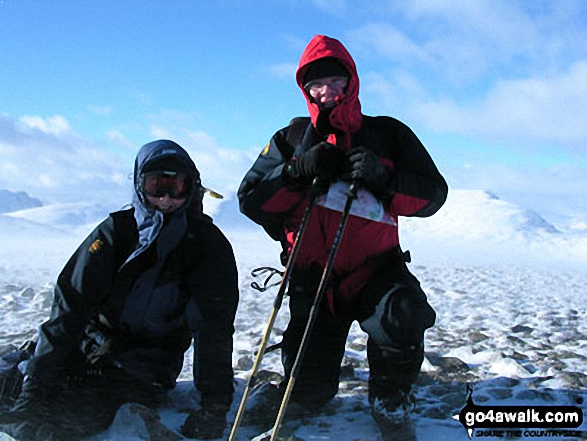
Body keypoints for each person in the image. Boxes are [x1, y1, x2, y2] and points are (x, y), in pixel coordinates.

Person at [238, 35, 448, 429]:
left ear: (351, 82)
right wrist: (296, 172)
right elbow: (251, 201)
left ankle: (391, 399)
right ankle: (302, 390)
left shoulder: (389, 134)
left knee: (403, 313)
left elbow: (433, 196)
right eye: (316, 83)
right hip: (313, 276)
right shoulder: (291, 139)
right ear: (305, 88)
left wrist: (384, 178)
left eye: (335, 81)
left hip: (377, 269)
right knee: (310, 394)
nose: (326, 90)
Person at [1, 140, 239, 440]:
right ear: (139, 186)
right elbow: (69, 308)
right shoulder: (116, 232)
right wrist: (33, 391)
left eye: (176, 188)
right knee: (17, 392)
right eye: (156, 186)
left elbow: (213, 330)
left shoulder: (207, 245)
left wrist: (213, 409)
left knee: (73, 417)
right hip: (89, 344)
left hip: (146, 365)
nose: (166, 199)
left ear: (191, 188)